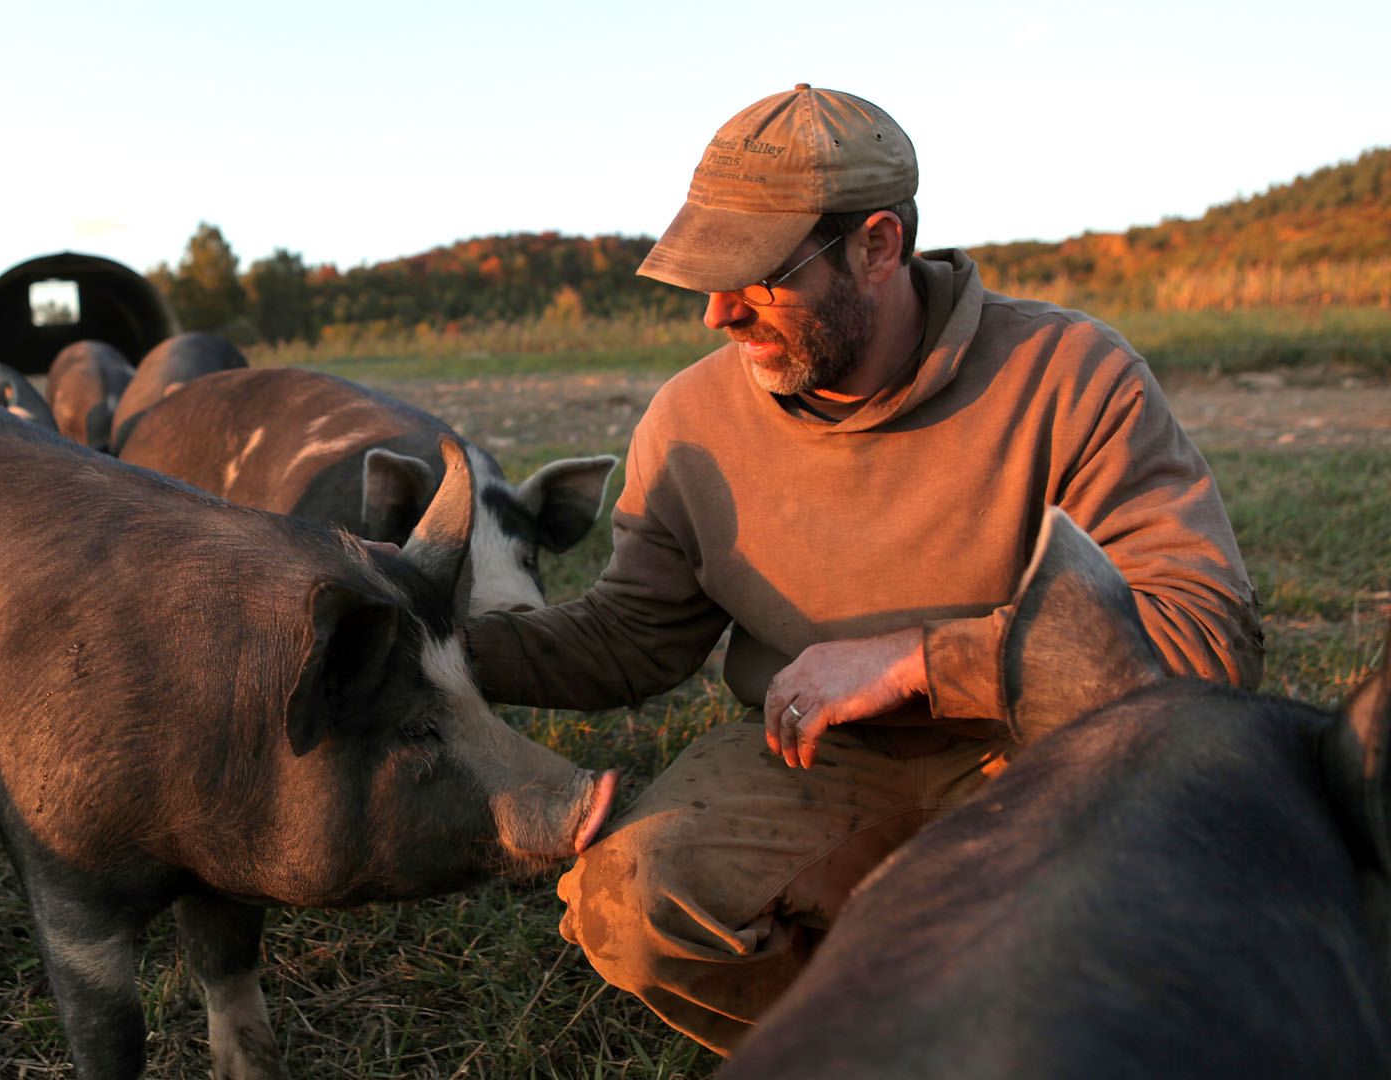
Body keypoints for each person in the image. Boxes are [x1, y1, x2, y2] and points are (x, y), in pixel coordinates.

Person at [460, 84, 1264, 1054]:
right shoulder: (690, 420)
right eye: (705, 278)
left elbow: (1204, 641)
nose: (719, 314)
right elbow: (629, 640)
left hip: (1044, 751)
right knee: (632, 905)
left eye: (756, 276)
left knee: (1123, 946)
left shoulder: (1069, 374)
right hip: (814, 759)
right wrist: (437, 643)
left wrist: (920, 660)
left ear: (878, 246)